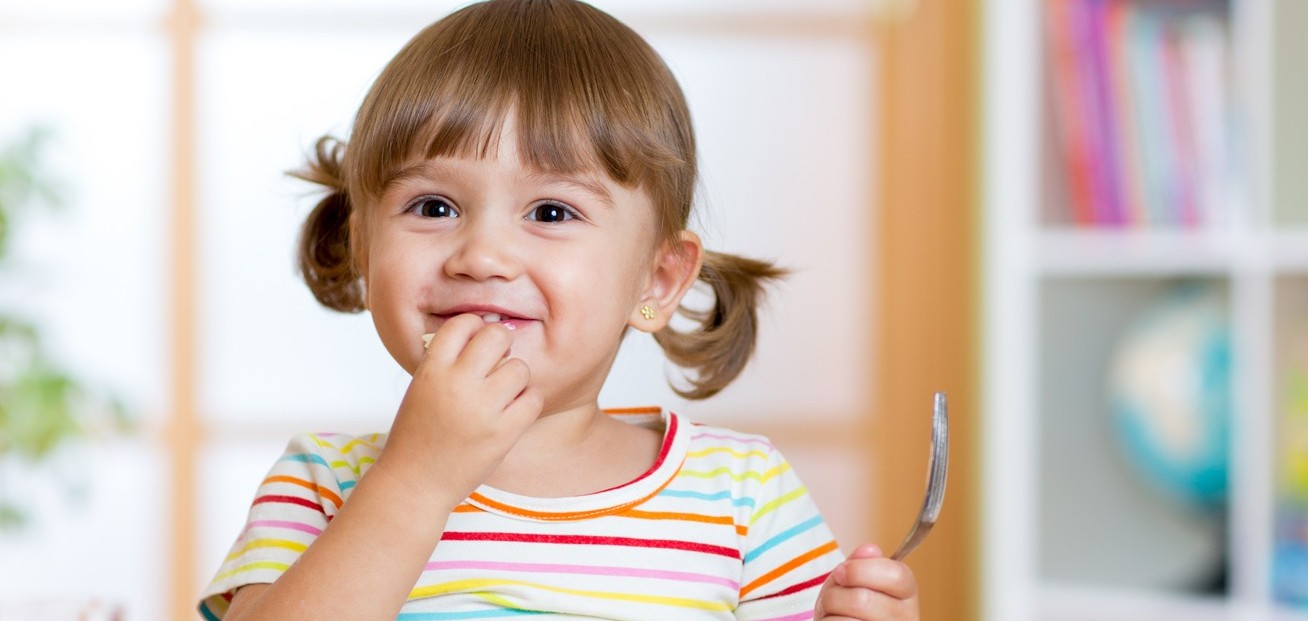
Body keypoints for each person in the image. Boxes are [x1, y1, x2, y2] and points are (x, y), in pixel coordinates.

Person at [200, 1, 920, 619]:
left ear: (657, 279)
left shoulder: (741, 492)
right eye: (434, 206)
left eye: (550, 211)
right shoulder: (322, 480)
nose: (482, 255)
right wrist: (416, 478)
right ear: (363, 248)